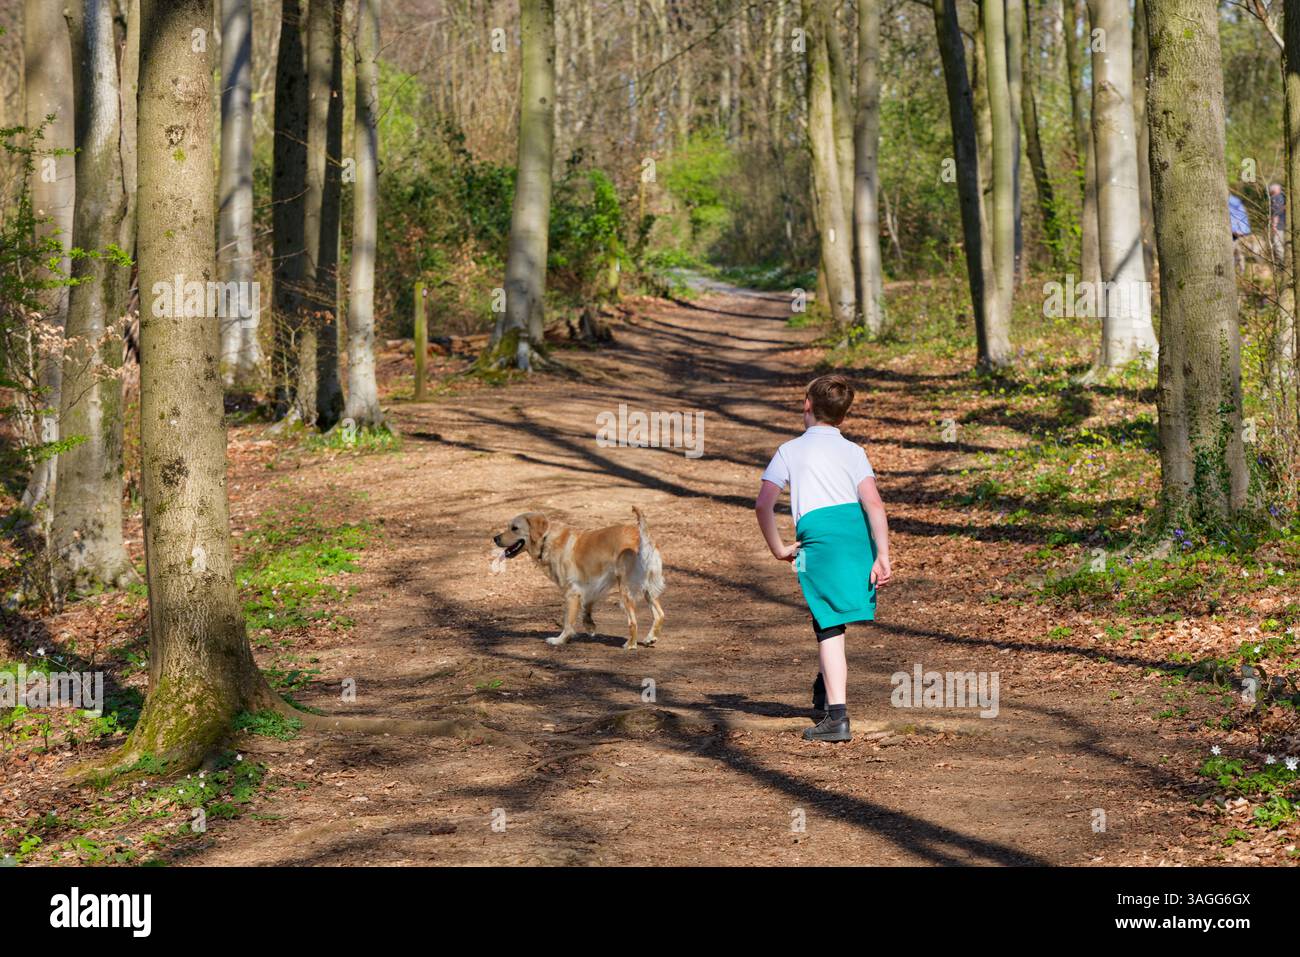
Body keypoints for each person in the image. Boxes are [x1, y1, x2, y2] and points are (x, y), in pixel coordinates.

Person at [754, 374, 892, 743]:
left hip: (819, 537)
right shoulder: (854, 451)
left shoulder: (789, 450)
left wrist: (778, 548)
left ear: (807, 405)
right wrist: (883, 555)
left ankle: (837, 718)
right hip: (856, 534)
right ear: (843, 417)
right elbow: (874, 504)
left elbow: (763, 504)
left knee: (829, 625)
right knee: (826, 615)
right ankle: (823, 686)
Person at [1229, 192, 1252, 274]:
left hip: (1235, 232)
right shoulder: (1235, 201)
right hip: (1239, 231)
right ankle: (1240, 271)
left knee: (1233, 251)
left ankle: (1236, 271)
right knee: (1238, 252)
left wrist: (1236, 229)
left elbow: (1237, 216)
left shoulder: (1231, 201)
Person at [1269, 181, 1286, 266]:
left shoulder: (1276, 197)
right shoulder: (1284, 196)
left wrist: (1274, 225)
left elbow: (1276, 211)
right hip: (1285, 224)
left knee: (1277, 244)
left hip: (1280, 225)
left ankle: (1282, 264)